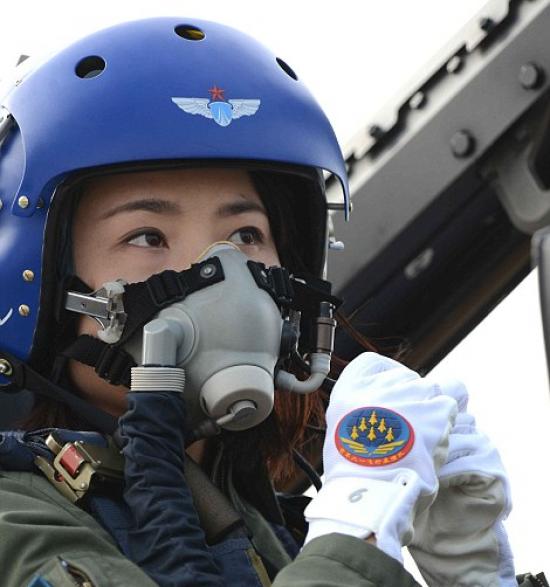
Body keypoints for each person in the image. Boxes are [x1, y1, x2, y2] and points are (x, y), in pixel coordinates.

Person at [0, 16, 537, 587]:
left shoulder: (275, 539)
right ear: (43, 285)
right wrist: (358, 527)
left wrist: (473, 579)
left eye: (246, 235)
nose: (222, 275)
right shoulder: (17, 524)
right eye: (148, 237)